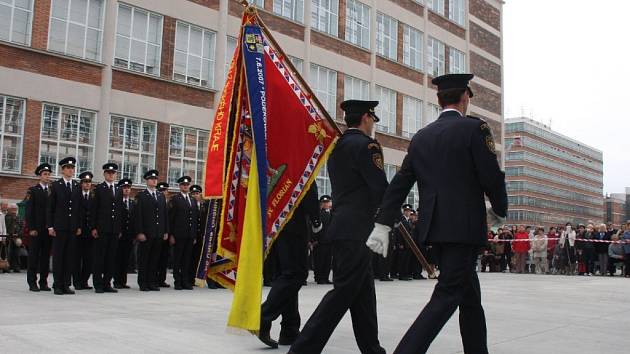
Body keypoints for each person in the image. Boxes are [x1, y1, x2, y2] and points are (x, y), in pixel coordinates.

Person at [366, 73, 507, 354]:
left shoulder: (421, 137)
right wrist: (499, 210)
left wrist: (382, 223)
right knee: (447, 295)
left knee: (469, 298)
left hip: (434, 229)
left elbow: (400, 183)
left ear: (438, 99)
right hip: (464, 229)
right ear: (465, 97)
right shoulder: (474, 129)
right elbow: (491, 176)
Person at [289, 100, 388, 354]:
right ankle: (302, 349)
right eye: (372, 120)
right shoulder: (367, 145)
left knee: (364, 294)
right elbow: (379, 188)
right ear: (366, 117)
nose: (372, 125)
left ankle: (372, 348)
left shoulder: (337, 147)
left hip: (345, 227)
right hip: (358, 230)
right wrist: (390, 215)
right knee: (342, 293)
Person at [257, 184, 321, 348]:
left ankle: (289, 330)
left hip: (274, 222)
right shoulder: (301, 158)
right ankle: (263, 317)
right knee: (296, 274)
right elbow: (308, 188)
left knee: (286, 275)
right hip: (294, 222)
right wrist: (316, 219)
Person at [47, 157, 83, 295]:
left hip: (72, 227)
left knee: (69, 257)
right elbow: (50, 208)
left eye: (72, 168)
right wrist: (50, 226)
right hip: (59, 227)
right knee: (58, 256)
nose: (71, 170)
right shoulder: (56, 186)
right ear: (62, 170)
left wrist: (78, 225)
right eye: (68, 168)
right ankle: (57, 284)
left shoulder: (76, 186)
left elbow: (79, 208)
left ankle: (66, 284)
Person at [135, 170, 169, 291]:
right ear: (146, 181)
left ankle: (152, 281)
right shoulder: (141, 196)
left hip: (158, 233)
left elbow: (164, 215)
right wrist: (139, 232)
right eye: (151, 179)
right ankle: (143, 282)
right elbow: (138, 215)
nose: (154, 180)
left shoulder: (160, 196)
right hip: (146, 233)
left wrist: (165, 231)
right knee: (144, 259)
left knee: (155, 259)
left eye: (155, 179)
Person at [90, 163, 122, 293]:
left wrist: (119, 229)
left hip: (114, 229)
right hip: (102, 228)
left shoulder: (118, 189)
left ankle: (107, 283)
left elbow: (119, 211)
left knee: (111, 257)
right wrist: (93, 227)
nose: (111, 175)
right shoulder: (99, 189)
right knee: (100, 257)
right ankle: (98, 284)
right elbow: (94, 210)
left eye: (113, 173)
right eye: (108, 173)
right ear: (104, 174)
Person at [25, 163, 53, 292]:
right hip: (36, 229)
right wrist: (31, 228)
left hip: (48, 230)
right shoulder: (33, 191)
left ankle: (43, 282)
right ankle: (32, 282)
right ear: (39, 176)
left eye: (48, 174)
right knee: (34, 257)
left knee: (45, 258)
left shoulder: (52, 191)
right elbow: (29, 211)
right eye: (45, 174)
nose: (47, 176)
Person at [168, 176, 199, 290]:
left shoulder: (193, 200)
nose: (185, 186)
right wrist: (171, 234)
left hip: (190, 235)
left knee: (187, 259)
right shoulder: (175, 199)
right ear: (180, 186)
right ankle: (178, 281)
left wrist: (194, 235)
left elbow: (195, 218)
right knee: (178, 259)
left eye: (187, 185)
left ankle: (185, 281)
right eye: (183, 185)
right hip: (179, 235)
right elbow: (171, 218)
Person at [74, 171, 94, 290]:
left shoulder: (93, 196)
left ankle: (84, 281)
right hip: (78, 231)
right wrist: (77, 227)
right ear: (81, 183)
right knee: (76, 258)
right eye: (85, 182)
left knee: (89, 258)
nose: (87, 184)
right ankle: (76, 281)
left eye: (89, 182)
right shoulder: (76, 195)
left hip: (90, 232)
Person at [114, 178, 135, 289]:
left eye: (128, 188)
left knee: (126, 258)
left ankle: (123, 281)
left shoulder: (132, 203)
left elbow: (134, 219)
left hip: (129, 234)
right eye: (124, 188)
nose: (126, 190)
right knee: (118, 258)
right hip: (119, 234)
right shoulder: (117, 202)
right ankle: (117, 281)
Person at [312, 195, 333, 284]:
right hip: (320, 241)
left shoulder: (331, 213)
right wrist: (314, 239)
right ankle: (319, 277)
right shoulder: (318, 214)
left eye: (327, 202)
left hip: (329, 240)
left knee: (327, 260)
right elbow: (314, 228)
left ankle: (325, 277)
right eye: (324, 203)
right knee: (320, 260)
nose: (326, 204)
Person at [156, 181, 171, 288]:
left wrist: (168, 233)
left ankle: (162, 279)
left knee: (164, 258)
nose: (162, 192)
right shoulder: (157, 201)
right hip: (157, 233)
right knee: (156, 257)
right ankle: (154, 279)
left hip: (166, 234)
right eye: (160, 190)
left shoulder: (169, 203)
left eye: (164, 190)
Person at [393, 204, 414, 281]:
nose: (408, 212)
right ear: (403, 211)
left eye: (409, 211)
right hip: (403, 244)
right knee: (402, 260)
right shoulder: (401, 220)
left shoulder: (408, 221)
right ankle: (402, 275)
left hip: (408, 244)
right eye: (406, 211)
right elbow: (398, 233)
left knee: (406, 260)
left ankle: (405, 274)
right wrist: (400, 243)